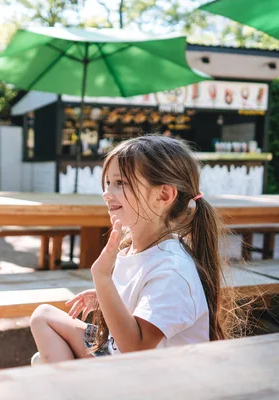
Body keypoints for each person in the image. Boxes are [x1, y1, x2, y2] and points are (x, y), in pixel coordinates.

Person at [30, 135, 238, 364]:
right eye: (107, 183)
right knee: (43, 317)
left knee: (44, 359)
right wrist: (105, 296)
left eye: (120, 183)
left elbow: (136, 349)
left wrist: (102, 278)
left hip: (155, 378)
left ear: (163, 195)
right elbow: (139, 302)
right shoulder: (134, 248)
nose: (107, 193)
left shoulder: (173, 270)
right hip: (122, 355)